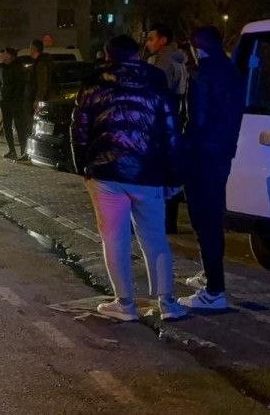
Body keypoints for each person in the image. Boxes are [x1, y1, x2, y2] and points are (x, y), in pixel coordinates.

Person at [72, 34, 187, 322]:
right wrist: (174, 176)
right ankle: (167, 303)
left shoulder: (93, 82)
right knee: (155, 237)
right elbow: (171, 133)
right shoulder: (156, 81)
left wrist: (83, 167)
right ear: (137, 55)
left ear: (107, 55)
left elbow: (79, 130)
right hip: (148, 172)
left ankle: (125, 303)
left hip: (105, 173)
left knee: (114, 238)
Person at [177, 26, 243, 311]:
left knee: (204, 221)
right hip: (221, 154)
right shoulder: (231, 69)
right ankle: (209, 275)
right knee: (212, 218)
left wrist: (182, 153)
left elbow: (197, 121)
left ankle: (214, 290)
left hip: (202, 157)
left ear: (196, 47)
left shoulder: (202, 74)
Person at [146, 24, 190, 233]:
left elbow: (153, 92)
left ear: (162, 40)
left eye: (151, 38)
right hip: (174, 119)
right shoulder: (180, 60)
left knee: (157, 172)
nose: (148, 43)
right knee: (170, 172)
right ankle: (169, 222)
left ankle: (161, 221)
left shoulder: (161, 62)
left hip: (160, 122)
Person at [17, 39, 54, 162]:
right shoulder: (38, 63)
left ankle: (28, 153)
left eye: (30, 47)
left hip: (33, 102)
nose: (29, 50)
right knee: (30, 127)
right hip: (32, 100)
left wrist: (38, 100)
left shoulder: (40, 64)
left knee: (30, 128)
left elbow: (42, 84)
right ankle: (28, 153)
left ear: (34, 49)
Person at [0, 47, 28, 160]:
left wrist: (15, 99)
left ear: (10, 56)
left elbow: (21, 86)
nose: (1, 55)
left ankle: (24, 152)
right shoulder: (1, 69)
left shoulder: (17, 68)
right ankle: (11, 150)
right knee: (7, 126)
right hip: (5, 102)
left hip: (16, 102)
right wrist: (0, 98)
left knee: (20, 127)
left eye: (4, 53)